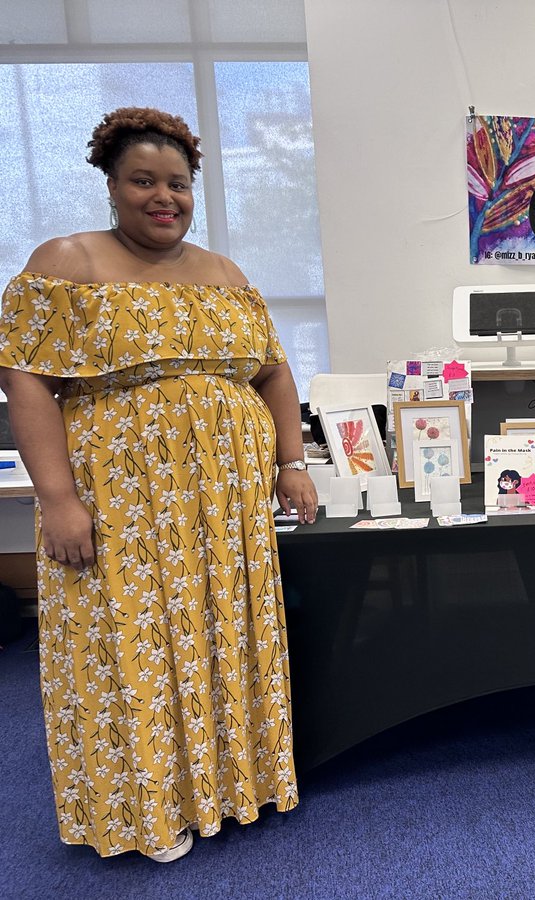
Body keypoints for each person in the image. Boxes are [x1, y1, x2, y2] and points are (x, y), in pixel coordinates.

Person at [0, 107, 318, 862]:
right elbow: (26, 378)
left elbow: (272, 373)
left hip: (225, 508)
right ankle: (150, 812)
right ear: (112, 186)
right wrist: (58, 500)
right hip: (121, 502)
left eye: (176, 183)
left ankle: (235, 785)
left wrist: (291, 462)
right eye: (143, 180)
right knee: (131, 643)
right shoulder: (66, 262)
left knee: (222, 633)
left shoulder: (225, 274)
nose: (162, 196)